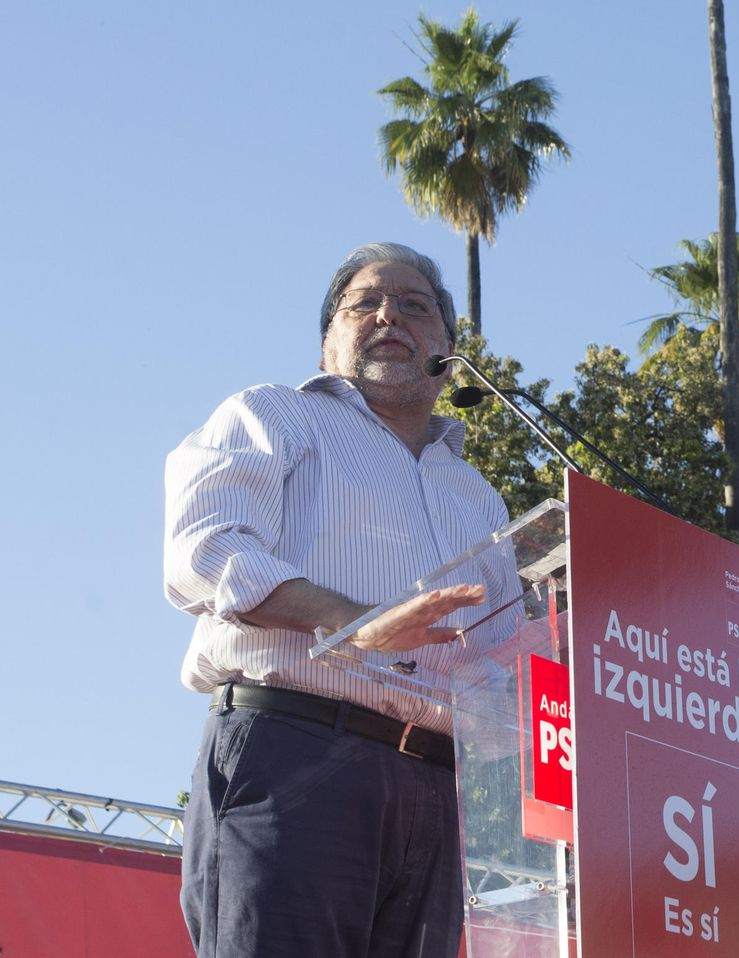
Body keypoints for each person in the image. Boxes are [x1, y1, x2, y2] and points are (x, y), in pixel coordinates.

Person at [166, 243, 520, 958]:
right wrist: (354, 622)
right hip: (295, 754)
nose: (390, 314)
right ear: (330, 340)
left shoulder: (479, 498)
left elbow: (497, 659)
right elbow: (206, 551)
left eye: (416, 305)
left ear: (448, 351)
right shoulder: (276, 414)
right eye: (364, 302)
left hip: (435, 788)